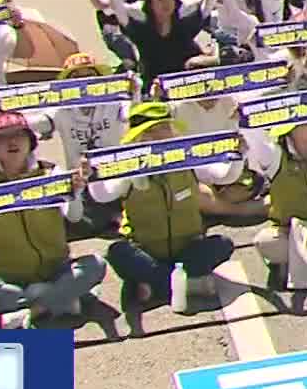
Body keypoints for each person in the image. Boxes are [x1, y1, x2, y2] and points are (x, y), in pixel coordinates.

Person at [87, 103, 238, 312]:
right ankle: (184, 284)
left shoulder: (186, 158)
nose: (161, 136)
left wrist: (239, 154)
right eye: (151, 132)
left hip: (187, 249)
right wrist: (92, 175)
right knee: (117, 252)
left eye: (164, 128)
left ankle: (156, 286)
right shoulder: (128, 168)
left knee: (223, 244)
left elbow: (225, 175)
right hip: (146, 251)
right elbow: (102, 194)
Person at [0, 113, 106, 328]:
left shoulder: (50, 172)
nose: (12, 142)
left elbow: (74, 216)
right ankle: (62, 298)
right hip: (8, 277)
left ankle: (33, 310)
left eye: (19, 135)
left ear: (30, 141)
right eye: (2, 137)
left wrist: (76, 192)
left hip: (56, 269)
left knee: (96, 265)